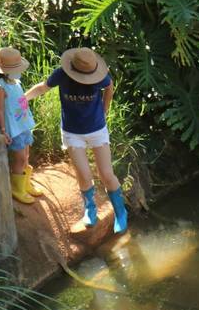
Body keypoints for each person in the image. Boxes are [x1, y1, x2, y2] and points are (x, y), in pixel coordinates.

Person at [24, 47, 127, 233]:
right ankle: (90, 209)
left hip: (97, 130)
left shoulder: (99, 76)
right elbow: (43, 87)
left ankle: (120, 212)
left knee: (106, 173)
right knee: (84, 174)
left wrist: (105, 108)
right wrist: (23, 99)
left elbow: (109, 86)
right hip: (72, 133)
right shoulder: (61, 74)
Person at [0, 47, 39, 204]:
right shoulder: (0, 87)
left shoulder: (17, 82)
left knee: (26, 155)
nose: (19, 72)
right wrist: (3, 131)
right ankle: (17, 188)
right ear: (4, 71)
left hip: (23, 125)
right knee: (19, 158)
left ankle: (26, 184)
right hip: (12, 128)